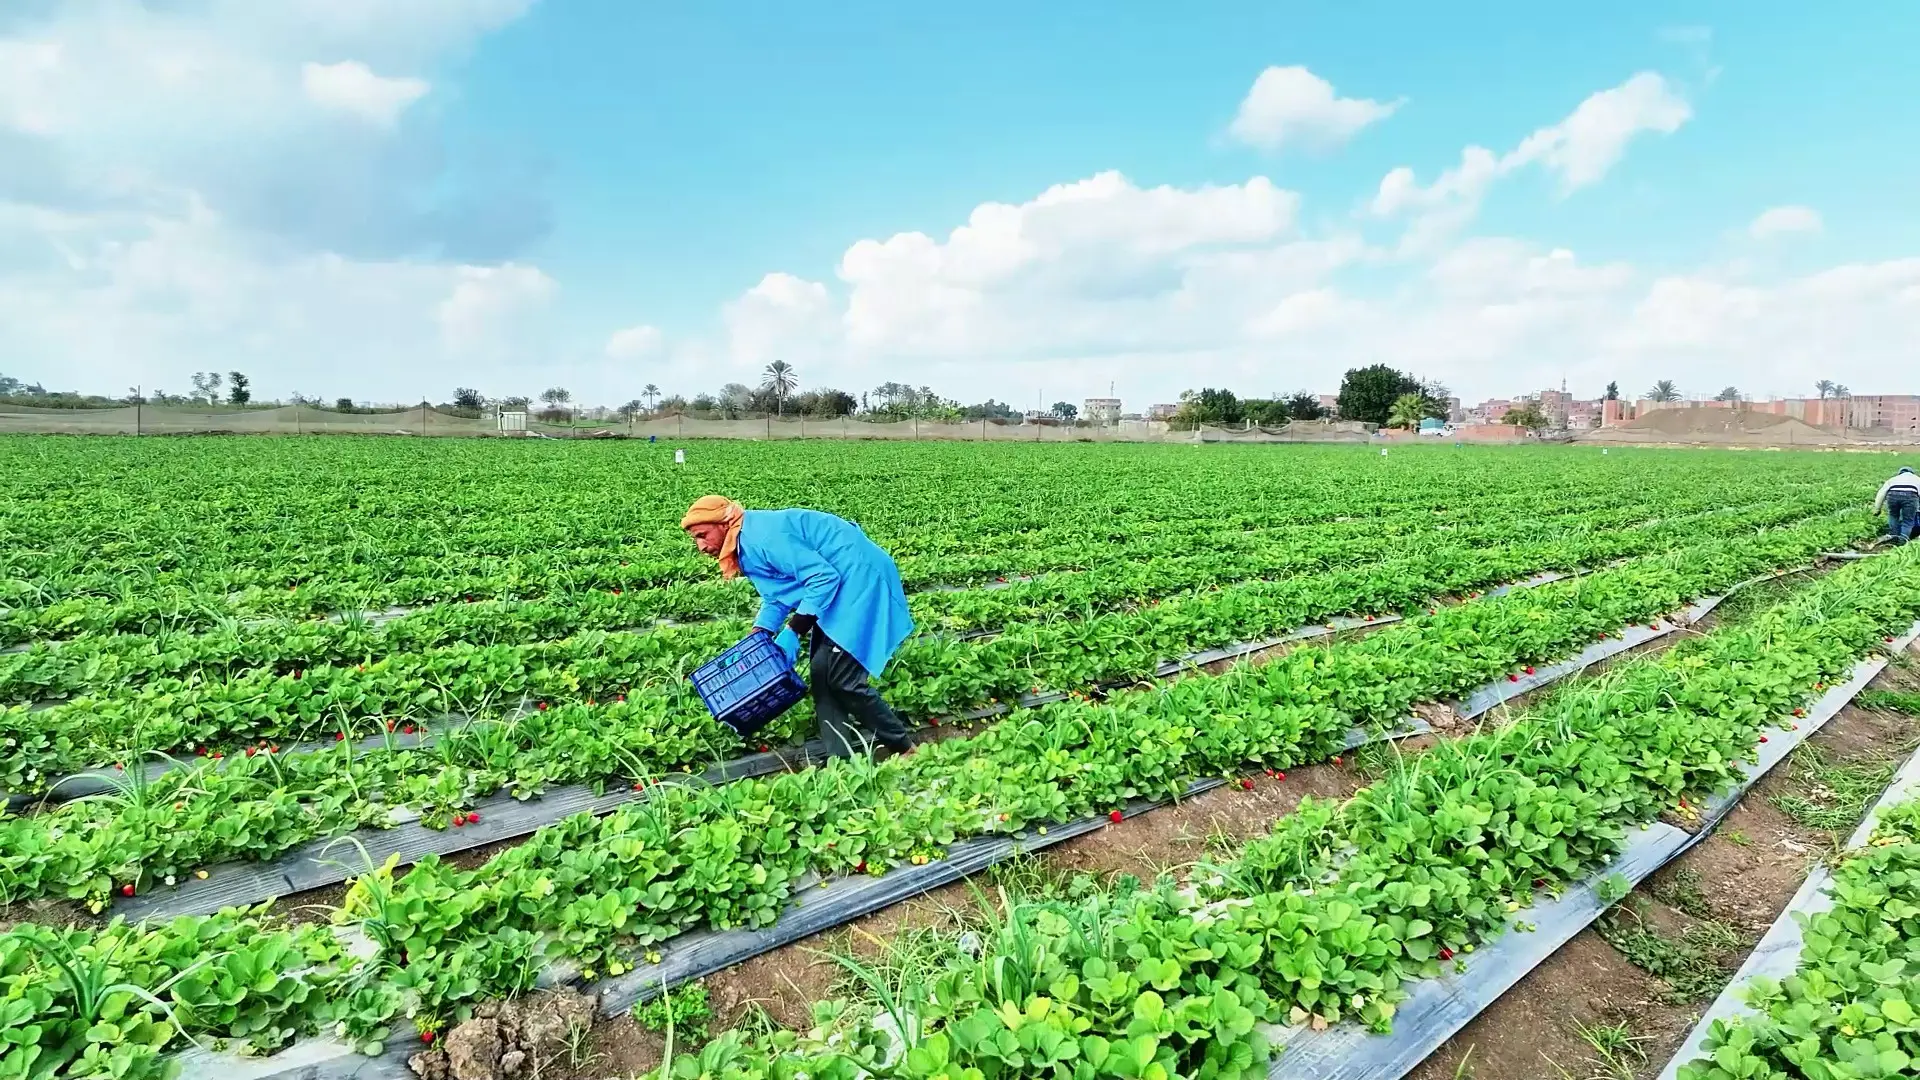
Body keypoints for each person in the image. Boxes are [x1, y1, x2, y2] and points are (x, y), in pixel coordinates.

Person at [680, 495, 915, 757]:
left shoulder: (764, 538)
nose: (701, 546)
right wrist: (760, 634)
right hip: (839, 584)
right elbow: (776, 594)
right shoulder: (744, 543)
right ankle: (841, 760)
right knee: (822, 674)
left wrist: (793, 630)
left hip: (859, 579)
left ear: (723, 524)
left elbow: (823, 577)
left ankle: (903, 748)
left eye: (703, 535)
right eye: (695, 540)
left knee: (842, 678)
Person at [1872, 466, 1920, 545]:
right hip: (1910, 496)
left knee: (1893, 516)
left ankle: (1894, 537)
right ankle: (1902, 541)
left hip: (1892, 495)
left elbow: (1881, 494)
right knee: (1908, 521)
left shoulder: (1893, 479)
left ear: (1900, 473)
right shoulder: (1917, 479)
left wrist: (1877, 509)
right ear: (1912, 473)